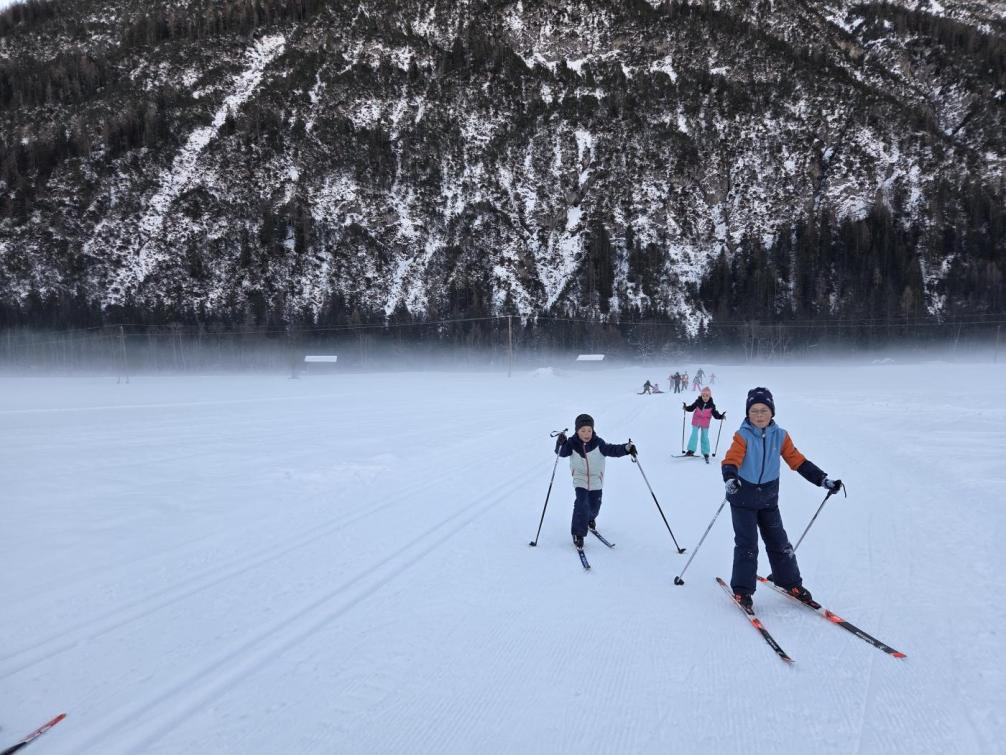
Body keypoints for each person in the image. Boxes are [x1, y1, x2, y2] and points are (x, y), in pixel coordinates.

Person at [720, 387, 842, 609]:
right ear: (748, 413)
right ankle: (742, 591)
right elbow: (731, 460)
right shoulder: (742, 436)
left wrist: (823, 480)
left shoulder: (781, 436)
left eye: (764, 410)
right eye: (754, 410)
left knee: (779, 542)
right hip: (742, 498)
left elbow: (798, 461)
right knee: (747, 545)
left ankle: (790, 583)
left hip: (768, 498)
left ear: (772, 412)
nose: (759, 415)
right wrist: (730, 477)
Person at [554, 414, 636, 548]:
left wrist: (626, 449)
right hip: (580, 479)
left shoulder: (599, 443)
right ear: (577, 431)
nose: (586, 434)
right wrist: (560, 442)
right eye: (583, 431)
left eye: (589, 430)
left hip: (596, 480)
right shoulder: (572, 444)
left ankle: (590, 518)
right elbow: (561, 453)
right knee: (581, 504)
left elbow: (613, 450)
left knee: (594, 507)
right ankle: (578, 533)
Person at [682, 387, 725, 460]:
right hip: (696, 420)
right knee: (694, 435)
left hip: (705, 422)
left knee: (705, 437)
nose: (705, 397)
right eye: (703, 395)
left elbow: (715, 413)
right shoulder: (698, 402)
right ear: (701, 395)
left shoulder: (711, 405)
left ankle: (705, 452)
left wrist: (720, 416)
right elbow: (692, 408)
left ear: (710, 396)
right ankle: (691, 450)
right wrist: (686, 408)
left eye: (707, 396)